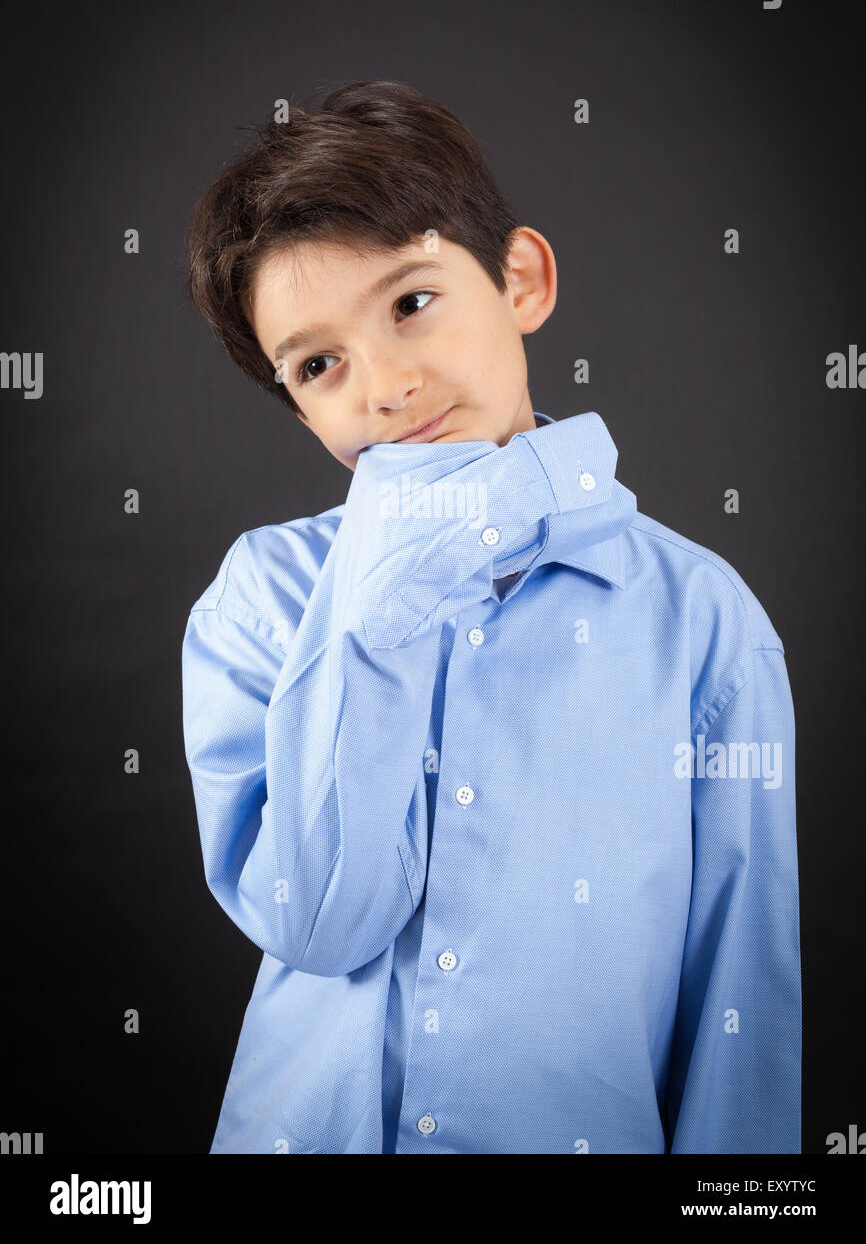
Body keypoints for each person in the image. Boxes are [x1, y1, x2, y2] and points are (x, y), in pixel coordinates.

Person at [180, 78, 801, 1154]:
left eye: (411, 302)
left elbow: (738, 1000)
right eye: (318, 364)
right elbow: (321, 922)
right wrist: (376, 612)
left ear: (519, 279)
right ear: (296, 403)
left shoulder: (705, 624)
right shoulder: (266, 597)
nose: (382, 385)